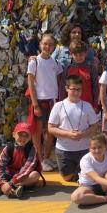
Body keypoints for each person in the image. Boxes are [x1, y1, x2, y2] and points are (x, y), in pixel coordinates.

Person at [48, 75, 99, 181]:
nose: (76, 92)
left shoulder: (87, 105)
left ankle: (84, 176)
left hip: (84, 149)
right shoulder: (58, 106)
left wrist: (83, 134)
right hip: (64, 150)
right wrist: (68, 134)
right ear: (66, 88)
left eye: (79, 89)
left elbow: (95, 126)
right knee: (67, 178)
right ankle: (82, 175)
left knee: (86, 176)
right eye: (73, 89)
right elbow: (51, 128)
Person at [27, 32, 63, 172]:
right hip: (40, 101)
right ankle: (40, 160)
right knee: (37, 131)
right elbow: (30, 84)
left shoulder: (56, 63)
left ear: (54, 47)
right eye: (45, 43)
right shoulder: (34, 62)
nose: (47, 46)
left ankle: (46, 157)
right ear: (40, 44)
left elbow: (60, 80)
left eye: (50, 44)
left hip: (52, 101)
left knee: (50, 132)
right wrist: (35, 104)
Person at [0, 122, 40, 198]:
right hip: (8, 175)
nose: (23, 138)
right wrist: (2, 183)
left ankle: (4, 188)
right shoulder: (8, 148)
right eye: (20, 135)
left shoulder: (32, 149)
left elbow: (27, 169)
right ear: (14, 135)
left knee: (35, 175)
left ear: (30, 137)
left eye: (26, 136)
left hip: (23, 177)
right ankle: (6, 187)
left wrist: (12, 182)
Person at [59, 41, 99, 111]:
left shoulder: (91, 68)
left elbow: (96, 87)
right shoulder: (67, 69)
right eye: (75, 55)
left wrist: (95, 105)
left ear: (85, 54)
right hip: (70, 106)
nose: (78, 57)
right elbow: (62, 88)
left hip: (88, 105)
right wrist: (62, 104)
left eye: (81, 55)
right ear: (71, 54)